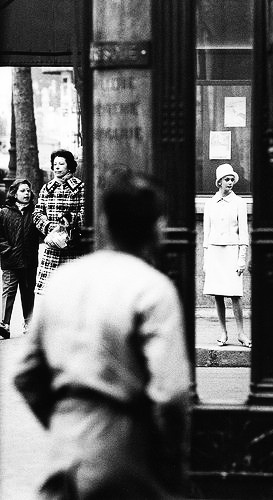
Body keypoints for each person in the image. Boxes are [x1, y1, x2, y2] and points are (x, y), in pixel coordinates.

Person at [14, 171, 191, 499]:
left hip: (65, 452)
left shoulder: (62, 281)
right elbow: (171, 392)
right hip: (126, 449)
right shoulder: (152, 288)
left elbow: (26, 375)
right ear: (156, 229)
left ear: (105, 222)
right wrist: (168, 457)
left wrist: (65, 418)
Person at [203, 163, 251, 348]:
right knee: (218, 295)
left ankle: (241, 333)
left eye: (232, 179)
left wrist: (241, 258)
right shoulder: (210, 204)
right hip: (215, 252)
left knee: (235, 295)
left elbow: (244, 234)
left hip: (232, 252)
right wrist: (206, 261)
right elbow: (206, 235)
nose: (230, 182)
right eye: (227, 179)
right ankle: (223, 332)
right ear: (219, 182)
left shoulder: (239, 203)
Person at [33, 149, 85, 295]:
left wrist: (71, 220)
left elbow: (86, 213)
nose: (57, 167)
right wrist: (49, 227)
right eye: (55, 164)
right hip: (53, 247)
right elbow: (37, 213)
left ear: (69, 166)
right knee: (52, 296)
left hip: (73, 247)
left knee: (73, 294)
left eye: (61, 163)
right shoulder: (46, 189)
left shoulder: (80, 188)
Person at [0, 179, 40, 339]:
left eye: (28, 191)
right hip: (10, 260)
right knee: (8, 291)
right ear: (14, 193)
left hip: (29, 260)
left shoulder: (36, 212)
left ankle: (28, 323)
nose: (27, 194)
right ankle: (4, 325)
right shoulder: (4, 213)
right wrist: (6, 250)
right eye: (23, 191)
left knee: (28, 292)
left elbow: (41, 233)